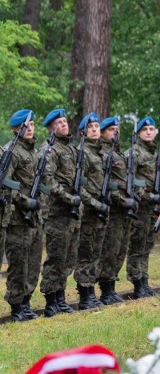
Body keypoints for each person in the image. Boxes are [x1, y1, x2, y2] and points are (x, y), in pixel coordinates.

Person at [39, 108, 83, 317]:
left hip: (72, 212)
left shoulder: (72, 150)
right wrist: (68, 198)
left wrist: (78, 199)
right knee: (56, 257)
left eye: (65, 121)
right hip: (57, 212)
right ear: (50, 128)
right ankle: (50, 301)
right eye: (59, 122)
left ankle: (61, 298)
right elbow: (49, 181)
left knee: (69, 257)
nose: (64, 124)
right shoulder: (49, 150)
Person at [3, 109, 43, 322]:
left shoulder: (35, 153)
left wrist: (39, 205)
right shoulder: (11, 152)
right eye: (25, 126)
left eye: (32, 125)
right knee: (18, 264)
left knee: (33, 262)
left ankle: (26, 302)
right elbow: (6, 185)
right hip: (17, 218)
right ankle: (16, 306)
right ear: (15, 128)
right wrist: (26, 202)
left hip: (35, 217)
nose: (29, 129)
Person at [96, 116, 138, 305]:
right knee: (110, 250)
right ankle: (106, 290)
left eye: (116, 129)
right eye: (111, 130)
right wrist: (122, 200)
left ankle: (112, 286)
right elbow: (107, 183)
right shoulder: (103, 154)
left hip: (125, 210)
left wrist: (132, 197)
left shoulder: (118, 153)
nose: (116, 132)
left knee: (121, 249)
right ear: (103, 132)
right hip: (114, 209)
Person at [74, 112, 109, 310]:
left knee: (96, 252)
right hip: (88, 212)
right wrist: (96, 204)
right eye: (91, 127)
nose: (95, 129)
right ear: (83, 132)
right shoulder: (82, 153)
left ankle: (92, 292)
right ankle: (85, 294)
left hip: (100, 211)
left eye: (97, 126)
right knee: (86, 253)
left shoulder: (100, 153)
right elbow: (80, 186)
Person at [126, 116, 160, 298]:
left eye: (151, 129)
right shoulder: (134, 153)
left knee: (147, 245)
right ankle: (137, 283)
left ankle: (145, 280)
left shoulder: (154, 154)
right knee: (137, 245)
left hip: (151, 208)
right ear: (139, 133)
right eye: (145, 130)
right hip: (139, 207)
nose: (149, 132)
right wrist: (148, 196)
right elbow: (132, 181)